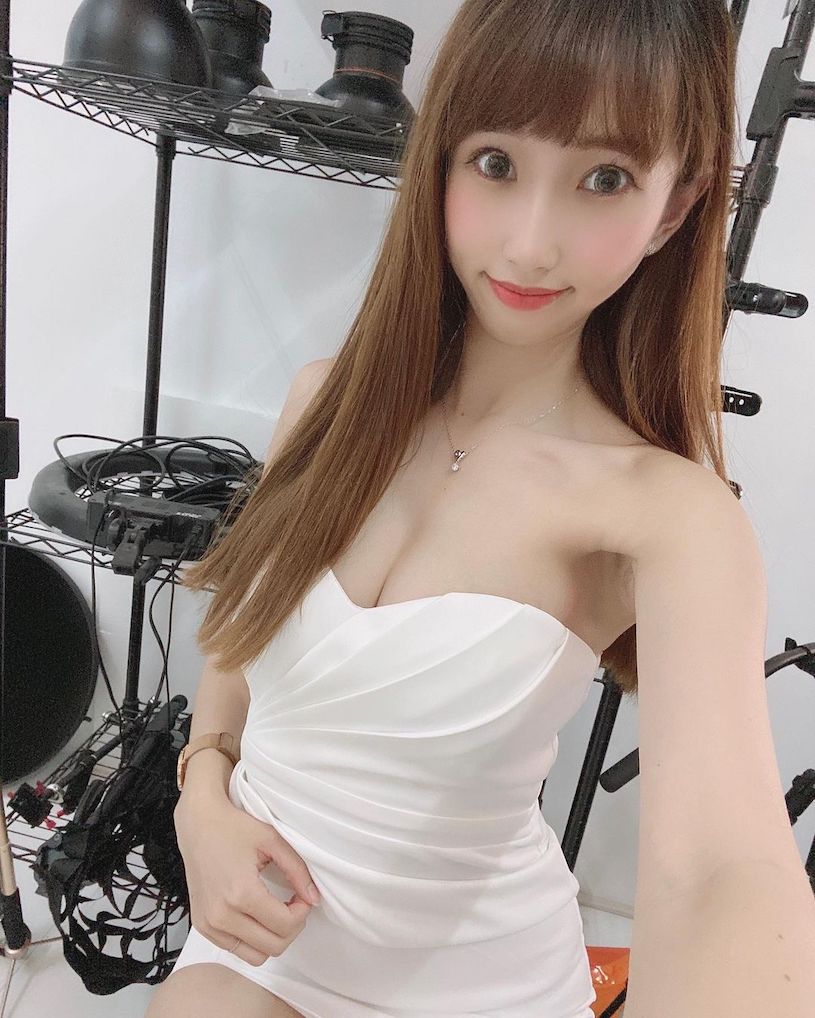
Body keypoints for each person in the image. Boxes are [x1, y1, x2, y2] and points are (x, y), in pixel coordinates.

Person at [146, 2, 815, 1017]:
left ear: (673, 209)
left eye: (604, 178)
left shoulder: (661, 516)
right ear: (442, 161)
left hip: (476, 986)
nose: (530, 245)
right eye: (495, 163)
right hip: (257, 943)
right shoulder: (322, 406)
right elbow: (240, 641)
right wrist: (201, 794)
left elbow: (724, 869)